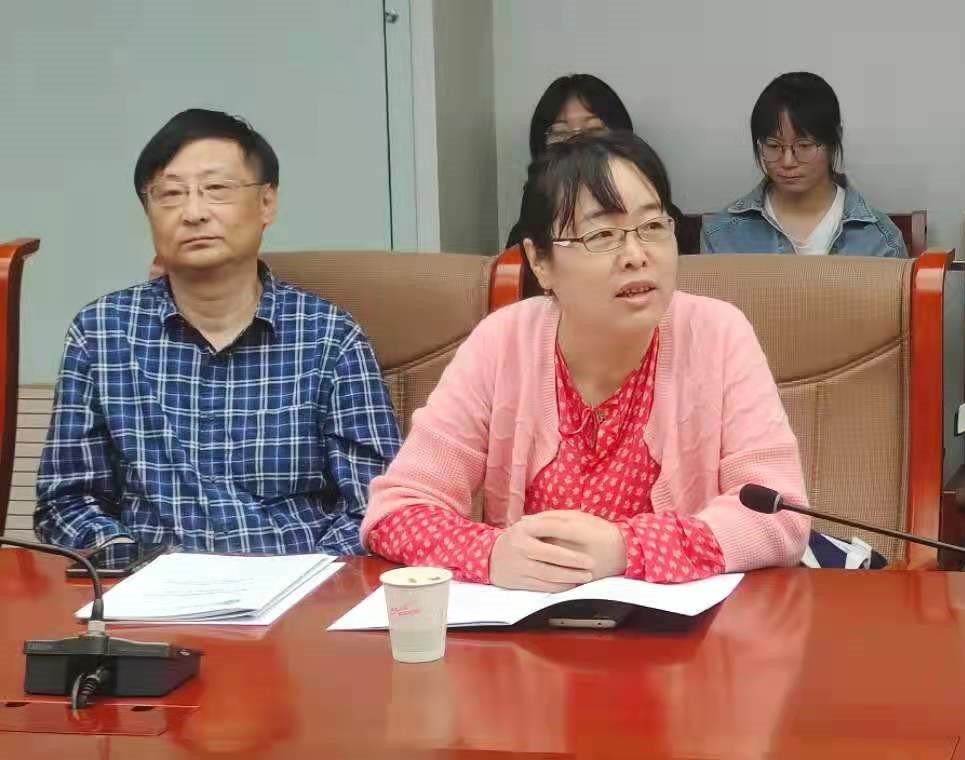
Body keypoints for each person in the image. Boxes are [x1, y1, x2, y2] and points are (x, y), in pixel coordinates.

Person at [363, 131, 809, 589]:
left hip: (681, 627)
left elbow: (782, 518)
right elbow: (397, 510)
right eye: (602, 235)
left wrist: (628, 549)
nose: (636, 256)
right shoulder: (503, 342)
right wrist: (489, 553)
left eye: (653, 227)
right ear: (541, 262)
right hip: (532, 623)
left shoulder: (718, 334)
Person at [34, 109, 401, 561]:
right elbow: (67, 501)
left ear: (266, 203)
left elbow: (374, 504)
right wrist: (125, 559)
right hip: (149, 587)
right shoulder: (101, 333)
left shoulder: (330, 337)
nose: (193, 213)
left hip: (298, 584)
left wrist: (310, 578)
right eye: (171, 194)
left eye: (216, 189)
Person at [701, 71, 904, 257]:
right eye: (773, 146)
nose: (787, 161)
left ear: (834, 140)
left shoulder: (880, 239)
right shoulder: (722, 234)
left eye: (804, 146)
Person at [504, 73, 686, 250]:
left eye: (594, 130)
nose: (576, 142)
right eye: (560, 133)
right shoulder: (534, 207)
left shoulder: (658, 212)